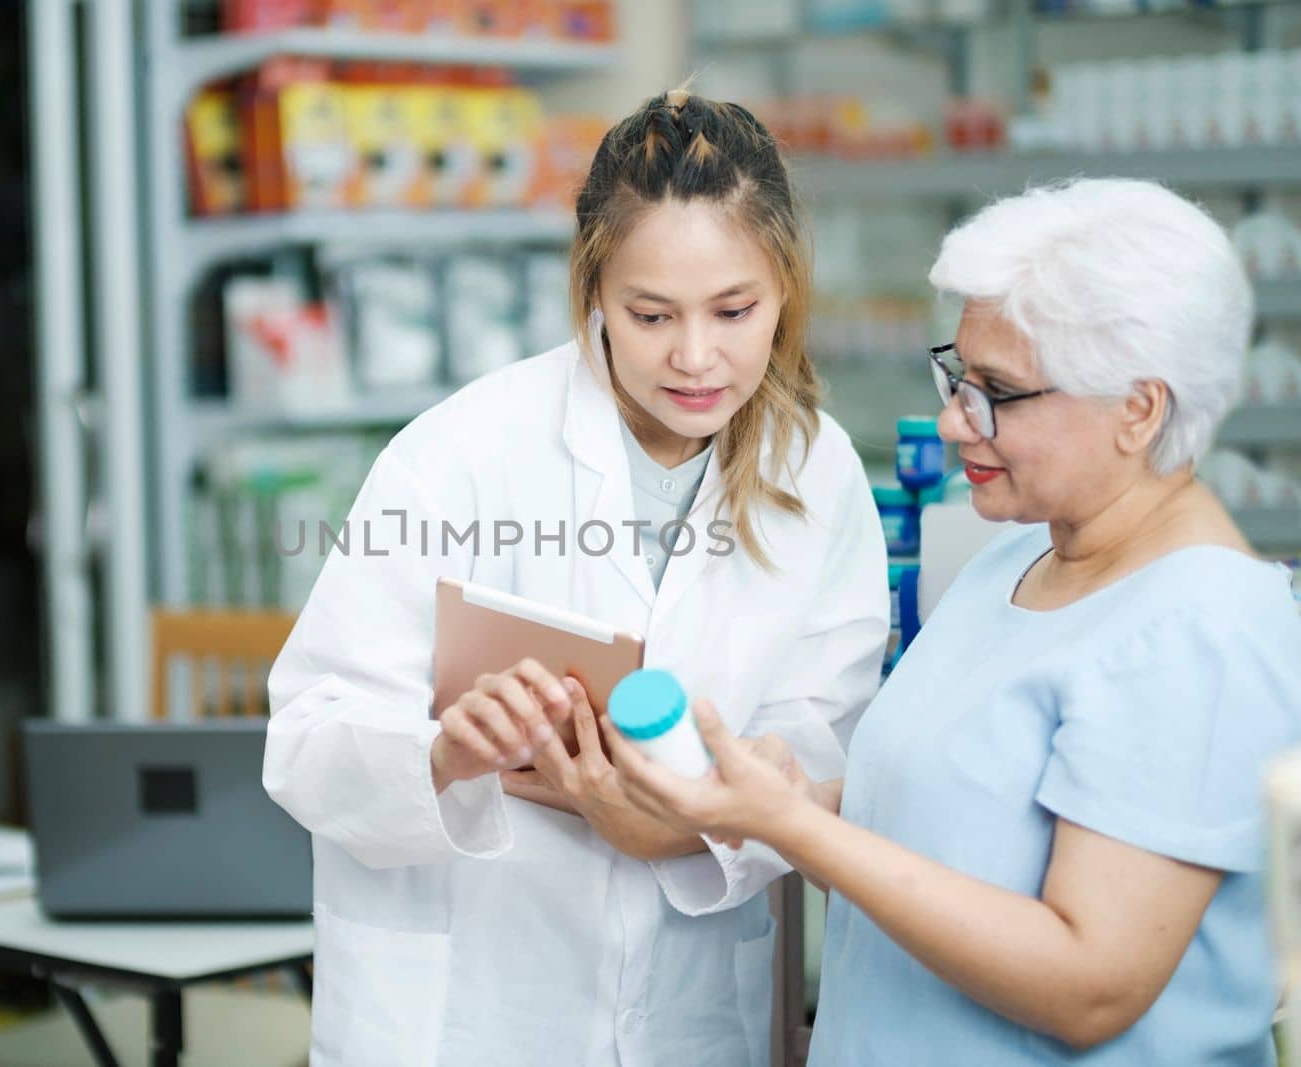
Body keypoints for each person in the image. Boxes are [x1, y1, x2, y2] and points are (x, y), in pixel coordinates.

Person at [607, 177, 1301, 1065]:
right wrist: (786, 799)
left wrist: (795, 827)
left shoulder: (1201, 627)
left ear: (1139, 408)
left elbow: (1093, 983)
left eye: (998, 392)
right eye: (957, 375)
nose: (952, 419)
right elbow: (946, 840)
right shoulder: (1011, 560)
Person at [262, 88, 889, 1067]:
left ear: (785, 292)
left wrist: (685, 828)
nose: (695, 356)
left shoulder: (817, 470)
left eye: (734, 310)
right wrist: (442, 753)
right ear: (593, 289)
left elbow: (831, 742)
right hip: (477, 1011)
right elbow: (306, 736)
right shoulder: (457, 452)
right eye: (650, 314)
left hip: (692, 1010)